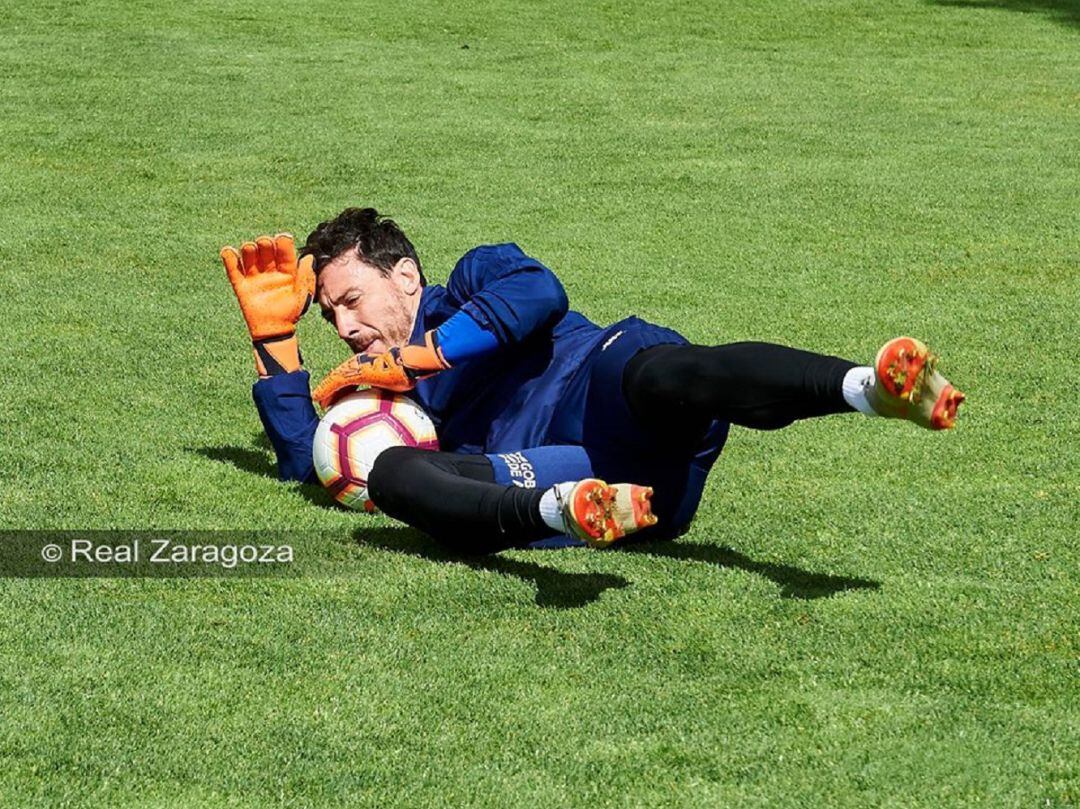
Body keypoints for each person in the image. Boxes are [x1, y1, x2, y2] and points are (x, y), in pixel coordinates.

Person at [221, 208, 964, 552]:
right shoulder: (378, 402)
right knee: (389, 476)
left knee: (669, 370)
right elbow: (316, 462)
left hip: (607, 392)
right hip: (574, 478)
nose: (344, 327)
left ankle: (871, 387)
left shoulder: (476, 277)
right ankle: (559, 512)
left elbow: (541, 296)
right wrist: (276, 341)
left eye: (350, 301)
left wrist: (423, 356)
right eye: (331, 319)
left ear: (406, 274)